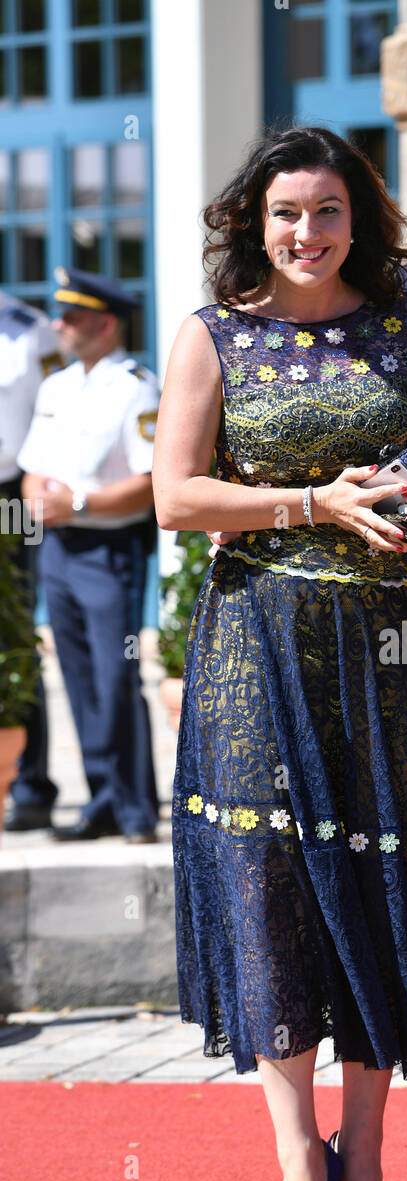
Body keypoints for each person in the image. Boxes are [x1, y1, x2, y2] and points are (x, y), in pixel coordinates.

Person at [152, 126, 407, 1181]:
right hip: (255, 649)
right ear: (254, 224)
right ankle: (300, 1165)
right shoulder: (213, 335)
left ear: (361, 219)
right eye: (285, 215)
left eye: (328, 212)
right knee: (271, 896)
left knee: (390, 883)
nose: (307, 234)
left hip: (392, 649)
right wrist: (312, 504)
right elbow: (174, 496)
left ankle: (366, 1158)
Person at [18, 268, 160, 844]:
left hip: (109, 547)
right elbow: (32, 468)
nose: (59, 325)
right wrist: (41, 502)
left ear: (103, 323)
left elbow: (151, 481)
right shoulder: (57, 386)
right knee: (77, 676)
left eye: (71, 316)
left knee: (114, 676)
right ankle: (101, 798)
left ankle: (134, 809)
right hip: (59, 549)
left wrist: (75, 503)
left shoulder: (136, 387)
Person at [0, 291, 63, 831]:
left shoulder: (28, 328)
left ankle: (30, 783)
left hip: (8, 499)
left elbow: (61, 411)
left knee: (13, 637)